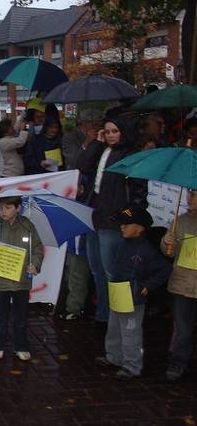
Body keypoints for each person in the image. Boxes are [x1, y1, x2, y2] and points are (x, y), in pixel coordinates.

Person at [77, 116, 148, 324]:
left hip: (114, 220)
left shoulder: (131, 155)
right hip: (96, 216)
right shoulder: (102, 149)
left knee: (112, 271)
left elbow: (138, 193)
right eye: (107, 132)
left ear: (123, 132)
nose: (110, 135)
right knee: (97, 269)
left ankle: (118, 317)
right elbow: (82, 164)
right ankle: (103, 314)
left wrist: (127, 218)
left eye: (114, 131)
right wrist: (97, 143)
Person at [95, 207, 171, 380]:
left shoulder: (147, 250)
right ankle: (114, 356)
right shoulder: (123, 243)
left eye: (126, 224)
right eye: (121, 224)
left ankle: (132, 366)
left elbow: (164, 269)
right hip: (118, 292)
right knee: (113, 327)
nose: (122, 227)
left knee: (131, 332)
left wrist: (147, 285)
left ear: (140, 228)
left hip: (133, 298)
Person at [0, 195, 43, 361]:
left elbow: (36, 248)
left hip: (21, 282)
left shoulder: (28, 227)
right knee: (1, 316)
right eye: (1, 208)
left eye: (7, 208)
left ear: (18, 208)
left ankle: (20, 346)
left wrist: (35, 265)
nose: (3, 211)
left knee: (20, 317)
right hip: (0, 282)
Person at [162, 189, 197, 382]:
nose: (188, 198)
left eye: (193, 194)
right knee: (183, 329)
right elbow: (168, 253)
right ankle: (177, 362)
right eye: (189, 193)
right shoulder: (180, 220)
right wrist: (167, 242)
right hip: (182, 285)